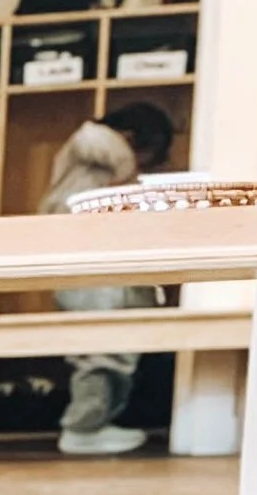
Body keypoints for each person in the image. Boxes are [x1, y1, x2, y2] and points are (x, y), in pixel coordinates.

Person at [42, 102, 177, 456]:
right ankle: (83, 427)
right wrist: (128, 171)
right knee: (101, 352)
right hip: (85, 269)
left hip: (95, 267)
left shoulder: (94, 162)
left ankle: (95, 423)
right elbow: (94, 137)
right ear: (132, 139)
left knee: (114, 349)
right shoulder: (93, 142)